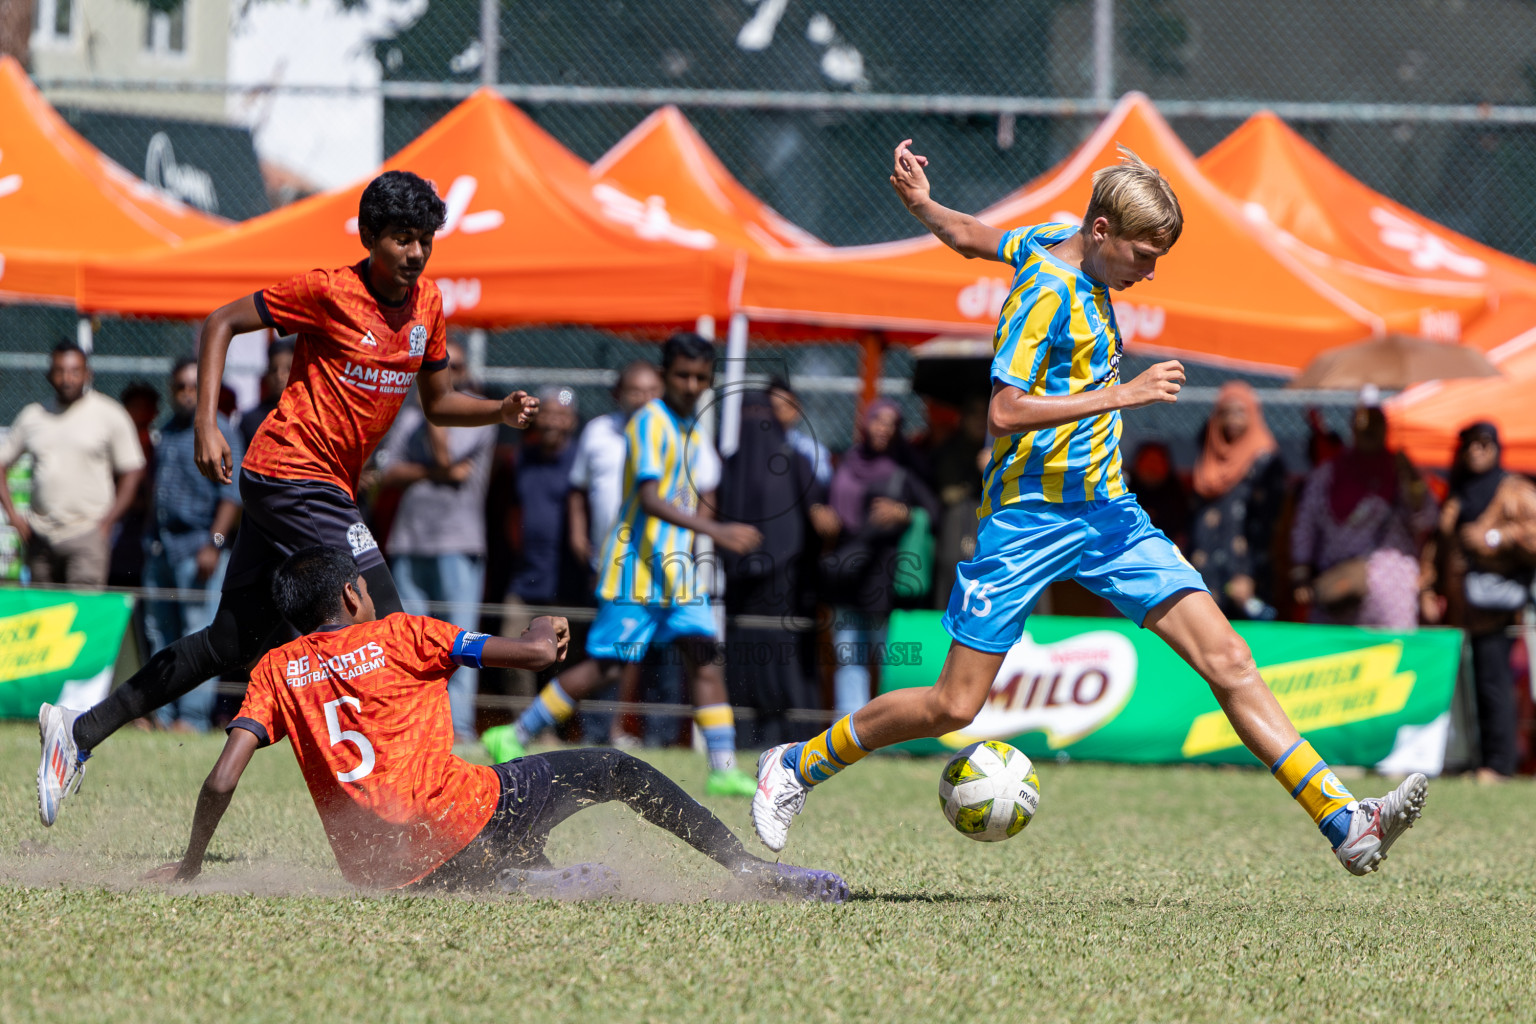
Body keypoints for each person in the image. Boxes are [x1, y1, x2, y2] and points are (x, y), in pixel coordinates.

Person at [751, 141, 1429, 877]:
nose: (1149, 271)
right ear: (1102, 232)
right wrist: (1123, 394)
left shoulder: (1050, 235)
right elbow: (1004, 411)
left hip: (1109, 514)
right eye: (1143, 254)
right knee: (954, 706)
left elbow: (979, 239)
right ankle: (795, 764)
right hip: (1027, 520)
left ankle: (1345, 821)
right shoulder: (1046, 295)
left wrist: (925, 208)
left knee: (1229, 658)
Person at [35, 170, 539, 827]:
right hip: (292, 474)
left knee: (228, 645)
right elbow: (222, 321)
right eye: (402, 240)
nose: (415, 254)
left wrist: (497, 410)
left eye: (425, 242)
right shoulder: (329, 290)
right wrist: (209, 424)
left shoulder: (429, 308)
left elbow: (440, 403)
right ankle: (410, 811)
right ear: (370, 238)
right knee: (386, 623)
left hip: (315, 489)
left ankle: (76, 732)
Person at [146, 546, 846, 903]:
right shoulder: (399, 633)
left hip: (379, 871)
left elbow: (220, 776)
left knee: (488, 831)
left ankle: (519, 877)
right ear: (352, 593)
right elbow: (537, 653)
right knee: (614, 769)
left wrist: (192, 863)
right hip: (458, 817)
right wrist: (546, 627)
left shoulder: (273, 670)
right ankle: (749, 870)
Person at [482, 333, 764, 796]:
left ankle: (722, 767)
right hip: (637, 570)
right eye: (682, 375)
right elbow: (650, 500)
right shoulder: (649, 423)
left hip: (678, 573)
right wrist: (716, 532)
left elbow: (697, 488)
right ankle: (514, 733)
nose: (691, 384)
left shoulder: (692, 425)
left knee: (705, 659)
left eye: (700, 377)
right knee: (607, 668)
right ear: (665, 374)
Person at [375, 338, 497, 743]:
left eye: (454, 369)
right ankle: (417, 730)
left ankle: (459, 729)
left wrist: (434, 410)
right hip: (409, 542)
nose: (446, 376)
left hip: (458, 544)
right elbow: (389, 474)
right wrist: (431, 472)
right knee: (410, 644)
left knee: (463, 643)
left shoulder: (476, 415)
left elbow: (444, 458)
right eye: (438, 370)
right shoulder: (407, 417)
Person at [1424, 422, 1536, 782]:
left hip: (1496, 604)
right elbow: (1437, 546)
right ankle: (1470, 757)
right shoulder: (1457, 493)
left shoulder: (1513, 488)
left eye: (1485, 444)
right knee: (1464, 685)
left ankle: (1499, 762)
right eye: (1470, 445)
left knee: (1494, 681)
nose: (1477, 451)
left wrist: (1493, 536)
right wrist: (1428, 587)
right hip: (1458, 606)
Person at [817, 398, 938, 715]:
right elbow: (824, 502)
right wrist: (822, 513)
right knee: (847, 659)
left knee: (888, 659)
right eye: (877, 420)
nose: (883, 428)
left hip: (882, 580)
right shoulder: (846, 462)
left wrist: (905, 512)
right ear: (865, 422)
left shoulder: (906, 467)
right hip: (844, 575)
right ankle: (847, 735)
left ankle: (889, 731)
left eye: (891, 423)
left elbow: (936, 513)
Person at [144, 356, 245, 732]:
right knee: (160, 635)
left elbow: (233, 497)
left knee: (196, 636)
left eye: (193, 387)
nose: (187, 394)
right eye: (180, 387)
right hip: (162, 548)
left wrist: (215, 544)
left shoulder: (221, 431)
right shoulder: (168, 430)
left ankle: (193, 718)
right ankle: (163, 715)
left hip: (199, 548)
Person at [718, 389, 824, 747]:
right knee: (745, 662)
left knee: (783, 665)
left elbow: (817, 520)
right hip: (742, 591)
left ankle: (792, 740)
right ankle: (747, 738)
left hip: (785, 589)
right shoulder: (726, 465)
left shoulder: (797, 461)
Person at [0, 340, 146, 588]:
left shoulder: (109, 413)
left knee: (81, 617)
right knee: (43, 617)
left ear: (87, 374)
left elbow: (132, 469)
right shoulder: (33, 415)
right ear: (49, 374)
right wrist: (13, 516)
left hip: (87, 535)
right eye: (60, 371)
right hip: (39, 537)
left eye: (75, 371)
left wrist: (107, 523)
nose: (67, 379)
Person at [1290, 389, 1437, 629]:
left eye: (1374, 424)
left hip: (1391, 590)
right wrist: (1300, 571)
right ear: (1352, 429)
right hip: (1340, 584)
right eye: (1362, 424)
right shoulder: (1330, 473)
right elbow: (1305, 524)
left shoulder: (1401, 471)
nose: (1369, 431)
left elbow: (1427, 519)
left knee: (1392, 655)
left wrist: (1414, 485)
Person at [1188, 382, 1286, 621]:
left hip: (1246, 572)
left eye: (1240, 412)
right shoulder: (1208, 456)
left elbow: (1265, 524)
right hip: (1207, 570)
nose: (1233, 420)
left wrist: (1246, 573)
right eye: (1226, 413)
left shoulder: (1265, 462)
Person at [567, 361, 664, 573]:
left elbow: (705, 487)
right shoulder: (598, 431)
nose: (645, 400)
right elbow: (577, 487)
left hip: (660, 561)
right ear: (617, 395)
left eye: (652, 391)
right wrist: (577, 533)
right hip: (606, 558)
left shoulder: (676, 434)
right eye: (635, 392)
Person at [1126, 441, 1189, 552]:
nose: (1152, 468)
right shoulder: (1124, 497)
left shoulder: (1178, 502)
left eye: (1158, 462)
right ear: (1137, 463)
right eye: (1149, 461)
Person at [769, 377, 833, 487]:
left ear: (797, 409)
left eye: (784, 406)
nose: (778, 412)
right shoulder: (752, 448)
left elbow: (822, 484)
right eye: (773, 407)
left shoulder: (811, 451)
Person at [239, 337, 295, 447]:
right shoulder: (251, 421)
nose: (280, 376)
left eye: (288, 369)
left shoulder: (309, 418)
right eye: (274, 370)